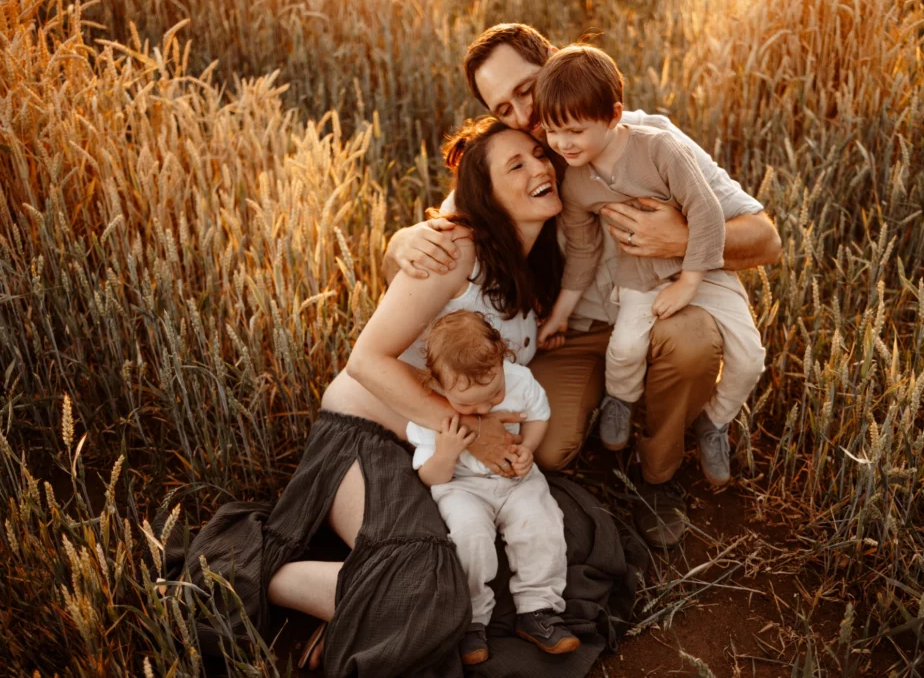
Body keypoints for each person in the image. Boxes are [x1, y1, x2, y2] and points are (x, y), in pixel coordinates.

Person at [165, 116, 637, 677]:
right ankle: (265, 577)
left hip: (447, 461)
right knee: (431, 590)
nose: (540, 167)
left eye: (540, 155)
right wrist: (473, 431)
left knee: (548, 543)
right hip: (367, 437)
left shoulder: (531, 266)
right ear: (483, 195)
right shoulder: (455, 251)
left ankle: (360, 589)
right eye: (517, 164)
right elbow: (365, 360)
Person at [386, 23, 781, 547]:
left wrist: (679, 237)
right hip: (570, 333)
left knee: (692, 346)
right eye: (504, 108)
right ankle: (610, 417)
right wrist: (400, 240)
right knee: (546, 450)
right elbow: (438, 239)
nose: (526, 115)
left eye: (527, 89)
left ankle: (657, 473)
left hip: (659, 307)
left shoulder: (647, 139)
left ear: (558, 59)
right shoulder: (515, 164)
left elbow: (766, 239)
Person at [534, 45, 767, 485]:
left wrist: (689, 281)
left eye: (575, 131)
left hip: (705, 272)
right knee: (624, 348)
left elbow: (707, 211)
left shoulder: (658, 148)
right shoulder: (575, 180)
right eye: (551, 131)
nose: (562, 144)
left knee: (750, 358)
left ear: (614, 115)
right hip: (639, 276)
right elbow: (584, 252)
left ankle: (714, 422)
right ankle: (621, 401)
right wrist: (560, 316)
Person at [409, 310, 579, 664]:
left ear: (504, 358)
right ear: (438, 385)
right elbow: (430, 478)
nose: (484, 409)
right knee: (469, 537)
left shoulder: (521, 379)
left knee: (543, 523)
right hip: (461, 485)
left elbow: (538, 414)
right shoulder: (430, 411)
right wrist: (446, 452)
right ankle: (471, 619)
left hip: (514, 479)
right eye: (468, 404)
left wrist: (527, 450)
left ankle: (538, 609)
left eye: (495, 393)